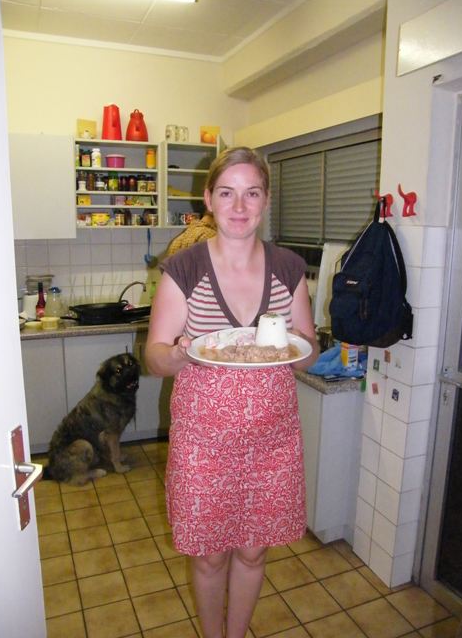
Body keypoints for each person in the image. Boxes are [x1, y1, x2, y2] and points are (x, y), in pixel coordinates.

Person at [145, 146, 319, 638]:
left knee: (254, 551)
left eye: (252, 193)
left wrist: (294, 343)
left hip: (272, 440)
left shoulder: (288, 269)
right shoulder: (184, 269)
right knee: (209, 556)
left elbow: (308, 353)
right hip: (203, 442)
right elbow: (154, 358)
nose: (239, 206)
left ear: (266, 200)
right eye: (227, 193)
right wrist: (181, 353)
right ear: (209, 200)